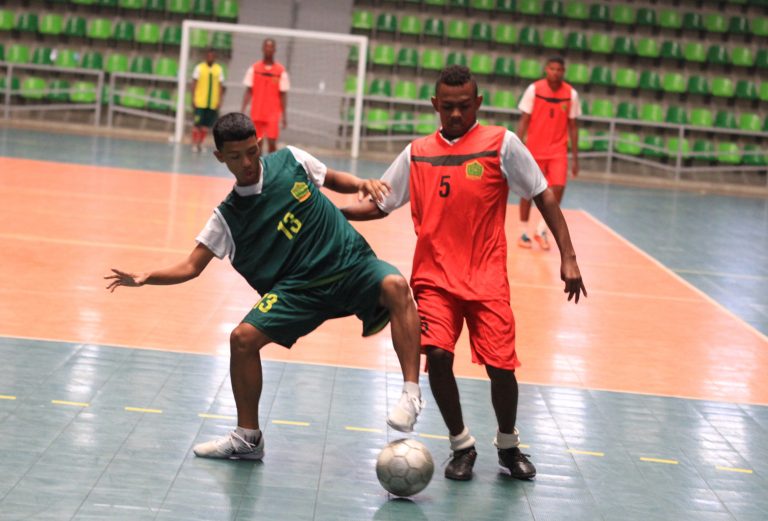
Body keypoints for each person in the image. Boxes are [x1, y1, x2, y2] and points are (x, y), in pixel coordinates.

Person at [105, 112, 424, 461]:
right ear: (220, 158)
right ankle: (247, 438)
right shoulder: (227, 217)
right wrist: (147, 276)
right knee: (242, 340)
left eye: (251, 151)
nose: (246, 162)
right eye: (234, 156)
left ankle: (410, 393)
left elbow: (331, 178)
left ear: (259, 144)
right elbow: (191, 266)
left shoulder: (291, 160)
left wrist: (361, 182)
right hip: (298, 290)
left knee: (395, 284)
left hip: (349, 263)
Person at [342, 66, 586, 481]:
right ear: (435, 105)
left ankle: (508, 445)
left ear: (478, 104)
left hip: (487, 275)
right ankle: (461, 444)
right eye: (448, 107)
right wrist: (333, 211)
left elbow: (543, 193)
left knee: (502, 367)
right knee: (437, 355)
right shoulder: (416, 151)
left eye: (464, 106)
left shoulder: (502, 144)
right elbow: (381, 204)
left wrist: (569, 256)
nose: (456, 114)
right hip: (434, 277)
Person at [516, 56, 581, 250]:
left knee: (559, 187)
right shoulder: (534, 89)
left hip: (558, 151)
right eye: (552, 68)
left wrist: (575, 158)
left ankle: (541, 230)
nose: (555, 72)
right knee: (527, 191)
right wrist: (518, 149)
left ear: (564, 71)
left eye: (559, 69)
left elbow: (573, 127)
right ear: (546, 69)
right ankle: (524, 233)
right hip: (534, 149)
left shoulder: (571, 94)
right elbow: (524, 121)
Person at [241, 38, 289, 154]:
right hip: (257, 112)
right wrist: (243, 109)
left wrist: (284, 115)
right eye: (266, 46)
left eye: (271, 47)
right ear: (263, 49)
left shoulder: (280, 71)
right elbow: (248, 90)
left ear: (274, 50)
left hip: (273, 113)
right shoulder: (254, 68)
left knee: (272, 143)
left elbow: (283, 94)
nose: (268, 49)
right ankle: (259, 169)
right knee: (257, 143)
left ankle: (273, 167)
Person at [191, 49, 226, 153]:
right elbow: (194, 83)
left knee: (206, 126)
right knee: (197, 124)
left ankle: (200, 144)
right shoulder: (199, 68)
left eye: (212, 56)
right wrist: (193, 98)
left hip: (212, 103)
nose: (210, 58)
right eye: (208, 56)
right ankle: (194, 143)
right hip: (200, 101)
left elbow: (220, 86)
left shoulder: (218, 69)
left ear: (215, 57)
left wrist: (219, 100)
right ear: (206, 56)